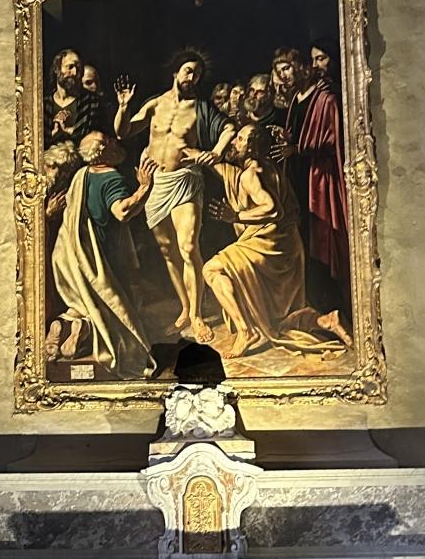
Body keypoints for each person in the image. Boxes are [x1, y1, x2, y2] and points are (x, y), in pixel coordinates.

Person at [114, 51, 235, 342]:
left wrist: (216, 152)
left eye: (197, 74)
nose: (192, 77)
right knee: (168, 250)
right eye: (188, 71)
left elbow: (229, 128)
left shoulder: (200, 108)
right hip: (156, 183)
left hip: (185, 180)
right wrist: (123, 107)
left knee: (188, 246)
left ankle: (197, 316)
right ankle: (184, 308)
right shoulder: (156, 104)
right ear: (176, 72)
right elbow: (123, 131)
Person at [204, 125, 352, 358]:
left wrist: (236, 217)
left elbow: (273, 209)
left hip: (270, 245)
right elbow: (216, 166)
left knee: (211, 270)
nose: (233, 142)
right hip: (287, 246)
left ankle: (246, 331)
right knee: (282, 317)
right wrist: (197, 154)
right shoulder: (267, 167)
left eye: (239, 139)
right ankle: (328, 320)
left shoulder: (250, 175)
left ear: (251, 147)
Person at [47, 131, 157, 378]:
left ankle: (67, 324)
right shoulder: (111, 178)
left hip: (68, 257)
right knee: (115, 315)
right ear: (103, 151)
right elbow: (122, 212)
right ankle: (85, 329)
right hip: (98, 259)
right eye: (109, 141)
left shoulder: (81, 175)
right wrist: (145, 187)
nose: (116, 142)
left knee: (83, 303)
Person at [276, 42, 350, 316]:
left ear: (301, 67)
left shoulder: (326, 98)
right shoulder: (297, 97)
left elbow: (333, 140)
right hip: (299, 177)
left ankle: (332, 307)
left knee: (320, 237)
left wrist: (297, 148)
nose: (283, 75)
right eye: (279, 70)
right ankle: (312, 306)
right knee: (301, 237)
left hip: (318, 180)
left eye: (287, 68)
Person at [44, 140, 82, 320]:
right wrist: (47, 214)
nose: (56, 174)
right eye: (52, 167)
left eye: (63, 170)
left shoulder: (64, 190)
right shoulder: (36, 186)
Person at [43, 48, 104, 147]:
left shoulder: (93, 102)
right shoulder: (43, 105)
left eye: (78, 68)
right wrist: (53, 135)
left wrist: (69, 132)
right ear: (56, 69)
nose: (75, 73)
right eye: (70, 67)